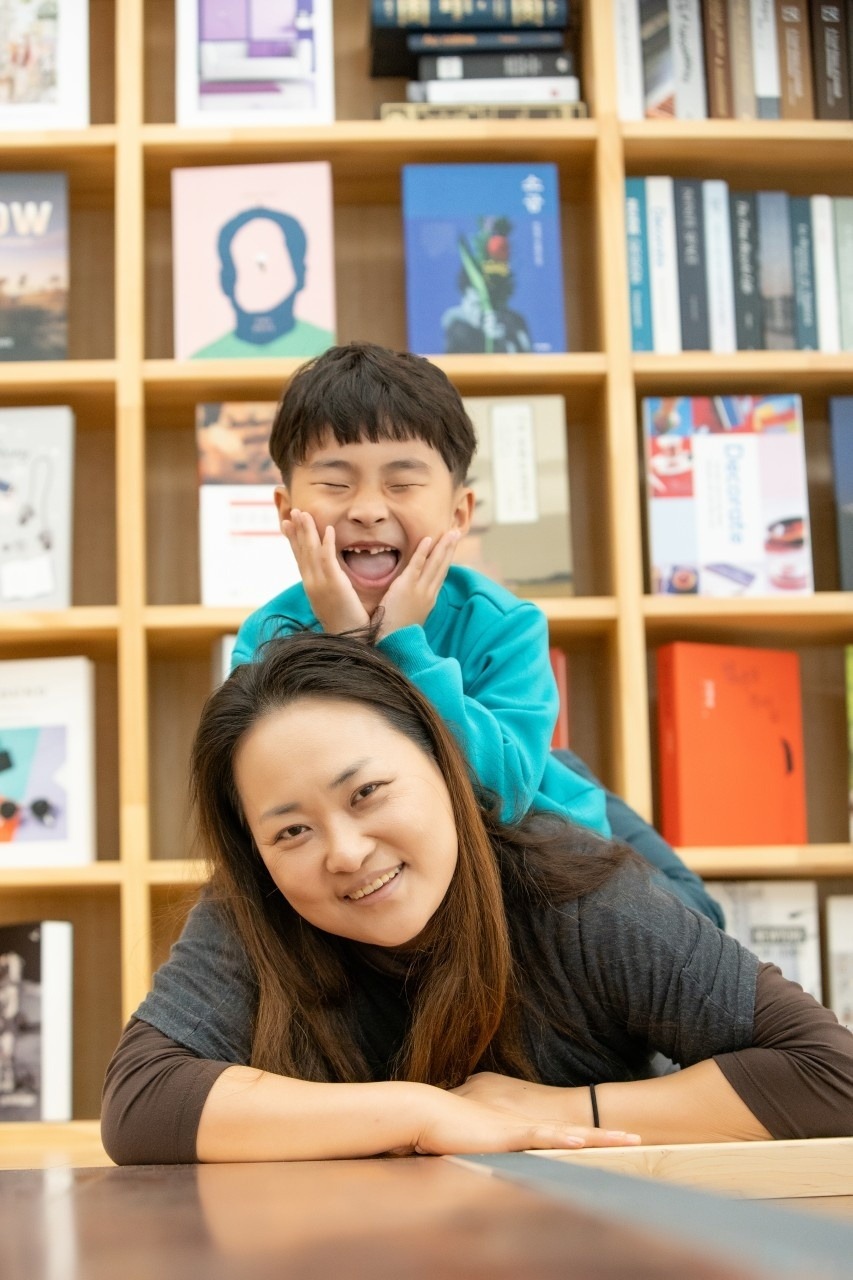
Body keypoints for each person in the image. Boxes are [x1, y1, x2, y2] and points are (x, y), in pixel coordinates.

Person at [100, 632, 853, 1164]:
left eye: (366, 792)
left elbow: (832, 1078)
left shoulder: (578, 894)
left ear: (445, 763)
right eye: (291, 831)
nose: (344, 852)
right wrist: (423, 1112)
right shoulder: (251, 912)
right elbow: (142, 1104)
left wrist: (552, 1111)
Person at [230, 339, 721, 923]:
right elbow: (273, 806)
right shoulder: (268, 637)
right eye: (335, 483)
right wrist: (348, 641)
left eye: (401, 482)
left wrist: (396, 645)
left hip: (549, 839)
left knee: (696, 923)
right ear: (287, 512)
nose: (366, 508)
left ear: (458, 514)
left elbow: (503, 794)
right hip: (414, 881)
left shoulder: (504, 624)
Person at [191, 208, 335, 360]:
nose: (258, 280)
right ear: (224, 279)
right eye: (243, 263)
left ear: (300, 272)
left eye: (273, 264)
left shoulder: (325, 349)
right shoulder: (201, 360)